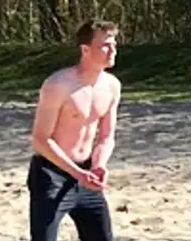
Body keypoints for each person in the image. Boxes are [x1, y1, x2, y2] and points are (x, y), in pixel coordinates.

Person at [26, 20, 122, 241]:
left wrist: (99, 165)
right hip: (51, 174)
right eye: (105, 46)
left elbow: (106, 137)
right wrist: (76, 173)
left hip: (87, 175)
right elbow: (41, 140)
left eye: (114, 44)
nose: (112, 51)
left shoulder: (112, 86)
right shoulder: (58, 84)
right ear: (85, 50)